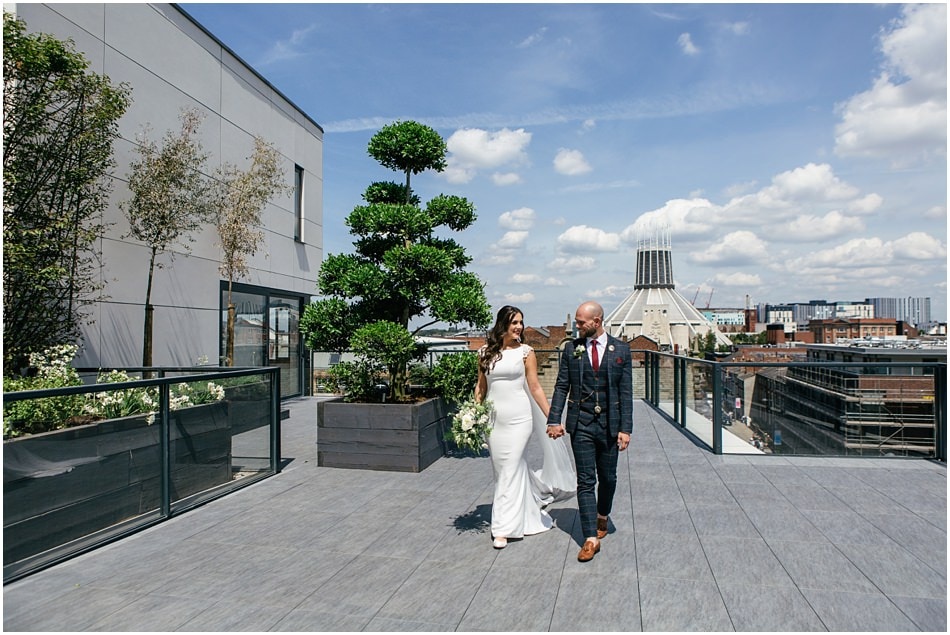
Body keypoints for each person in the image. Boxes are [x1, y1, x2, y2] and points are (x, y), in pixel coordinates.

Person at [475, 305, 576, 549]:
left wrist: (552, 417)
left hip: (520, 419)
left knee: (510, 467)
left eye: (521, 322)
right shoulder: (484, 352)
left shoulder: (526, 352)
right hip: (493, 420)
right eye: (514, 322)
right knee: (503, 470)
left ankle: (503, 528)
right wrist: (473, 415)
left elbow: (535, 388)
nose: (519, 326)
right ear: (502, 325)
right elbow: (480, 388)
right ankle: (526, 511)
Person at [546, 301, 633, 562]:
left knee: (608, 477)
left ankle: (602, 515)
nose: (577, 326)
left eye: (582, 322)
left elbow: (626, 393)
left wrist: (625, 429)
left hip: (610, 424)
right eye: (576, 321)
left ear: (597, 321)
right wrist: (554, 419)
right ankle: (590, 538)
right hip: (580, 423)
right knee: (585, 481)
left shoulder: (621, 350)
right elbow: (562, 386)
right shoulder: (571, 349)